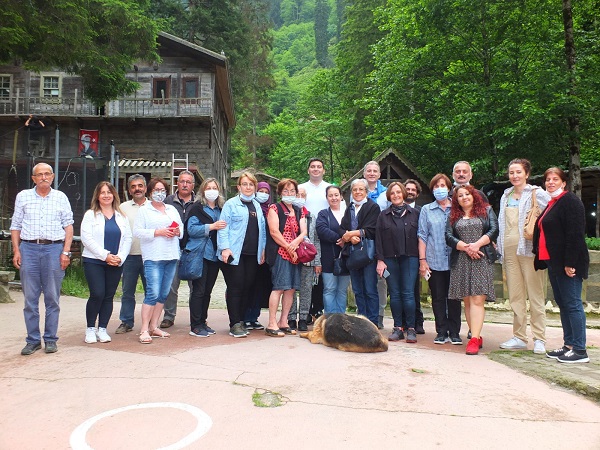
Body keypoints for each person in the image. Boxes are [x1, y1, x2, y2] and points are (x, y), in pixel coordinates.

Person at [11, 163, 74, 355]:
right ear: (33, 178)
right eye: (39, 175)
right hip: (28, 248)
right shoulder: (23, 196)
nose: (44, 177)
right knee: (30, 299)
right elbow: (16, 225)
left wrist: (66, 252)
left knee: (52, 298)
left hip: (54, 249)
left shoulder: (60, 197)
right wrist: (16, 250)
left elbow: (69, 226)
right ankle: (32, 340)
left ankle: (50, 339)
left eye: (47, 174)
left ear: (53, 176)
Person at [533, 167, 590, 364]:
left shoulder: (570, 202)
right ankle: (569, 346)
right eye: (547, 179)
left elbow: (575, 235)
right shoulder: (552, 203)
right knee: (564, 304)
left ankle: (580, 351)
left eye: (555, 179)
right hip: (554, 262)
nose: (550, 182)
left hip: (568, 263)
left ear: (563, 182)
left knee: (573, 304)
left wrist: (570, 263)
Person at [497, 159, 550, 354]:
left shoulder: (537, 193)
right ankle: (519, 336)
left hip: (529, 249)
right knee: (515, 295)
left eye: (518, 172)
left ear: (526, 174)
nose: (514, 176)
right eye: (511, 172)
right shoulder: (505, 195)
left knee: (536, 294)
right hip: (509, 250)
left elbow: (550, 216)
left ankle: (539, 338)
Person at [445, 185, 498, 355]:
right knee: (467, 300)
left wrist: (476, 245)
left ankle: (474, 339)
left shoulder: (486, 210)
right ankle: (475, 333)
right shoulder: (454, 216)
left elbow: (494, 230)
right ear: (456, 200)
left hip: (481, 258)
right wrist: (465, 248)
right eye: (460, 195)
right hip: (461, 259)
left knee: (477, 299)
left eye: (467, 194)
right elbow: (448, 236)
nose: (464, 197)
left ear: (474, 195)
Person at [80, 182, 132, 344]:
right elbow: (86, 238)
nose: (106, 195)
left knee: (109, 296)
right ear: (97, 196)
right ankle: (90, 329)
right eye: (102, 192)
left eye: (109, 192)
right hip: (94, 261)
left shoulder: (121, 216)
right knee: (97, 294)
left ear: (114, 195)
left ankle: (102, 328)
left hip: (115, 262)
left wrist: (120, 257)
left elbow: (128, 238)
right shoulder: (90, 215)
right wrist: (105, 256)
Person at [134, 178, 183, 344]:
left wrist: (176, 231)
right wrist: (158, 232)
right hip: (153, 256)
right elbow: (138, 232)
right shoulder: (144, 210)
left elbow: (181, 228)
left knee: (163, 293)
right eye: (156, 190)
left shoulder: (171, 209)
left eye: (163, 190)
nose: (159, 193)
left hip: (171, 255)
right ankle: (143, 329)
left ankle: (154, 326)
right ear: (150, 191)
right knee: (152, 293)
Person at [218, 172, 267, 338]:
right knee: (236, 287)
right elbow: (223, 227)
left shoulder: (257, 205)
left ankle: (242, 319)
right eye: (244, 184)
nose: (248, 187)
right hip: (235, 253)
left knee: (247, 287)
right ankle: (234, 323)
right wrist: (225, 248)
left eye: (251, 184)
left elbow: (262, 231)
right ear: (238, 187)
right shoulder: (231, 205)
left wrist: (262, 250)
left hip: (252, 255)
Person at [418, 174, 461, 344]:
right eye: (436, 186)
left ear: (449, 188)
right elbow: (422, 235)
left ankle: (455, 332)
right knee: (438, 297)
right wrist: (422, 260)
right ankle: (441, 331)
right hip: (434, 260)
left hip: (455, 261)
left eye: (443, 185)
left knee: (454, 298)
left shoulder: (457, 208)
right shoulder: (426, 210)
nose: (439, 189)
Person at [375, 182, 420, 343]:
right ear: (389, 196)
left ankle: (411, 328)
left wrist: (422, 259)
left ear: (403, 194)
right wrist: (380, 260)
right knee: (394, 294)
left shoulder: (415, 213)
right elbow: (378, 239)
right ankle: (397, 327)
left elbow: (421, 238)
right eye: (392, 193)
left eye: (398, 192)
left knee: (408, 294)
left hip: (410, 258)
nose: (395, 195)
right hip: (389, 259)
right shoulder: (383, 215)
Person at [299, 158, 342, 321]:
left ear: (323, 170)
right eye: (313, 167)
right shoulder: (301, 188)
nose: (316, 169)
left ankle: (317, 309)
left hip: (323, 236)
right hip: (304, 233)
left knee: (320, 273)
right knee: (305, 277)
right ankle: (304, 310)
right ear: (308, 170)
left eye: (319, 167)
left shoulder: (329, 188)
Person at [264, 179, 307, 337]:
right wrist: (288, 247)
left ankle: (283, 321)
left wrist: (294, 244)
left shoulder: (298, 209)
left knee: (291, 289)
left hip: (295, 254)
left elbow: (303, 231)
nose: (289, 194)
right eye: (286, 191)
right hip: (280, 253)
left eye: (292, 191)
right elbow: (274, 232)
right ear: (280, 193)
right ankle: (271, 323)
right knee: (279, 288)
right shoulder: (274, 208)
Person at [186, 178, 226, 337]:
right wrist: (211, 227)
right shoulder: (197, 209)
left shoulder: (221, 209)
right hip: (200, 254)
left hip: (214, 256)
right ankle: (195, 325)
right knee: (198, 291)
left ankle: (203, 321)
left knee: (208, 291)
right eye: (208, 187)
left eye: (214, 187)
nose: (211, 190)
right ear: (203, 191)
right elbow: (191, 229)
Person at [340, 178, 381, 326]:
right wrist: (350, 237)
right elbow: (342, 227)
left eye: (361, 189)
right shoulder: (350, 207)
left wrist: (353, 234)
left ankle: (373, 322)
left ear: (366, 192)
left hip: (367, 254)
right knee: (357, 290)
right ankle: (362, 320)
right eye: (355, 190)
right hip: (352, 254)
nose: (358, 192)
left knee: (370, 289)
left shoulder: (373, 207)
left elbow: (372, 229)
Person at [160, 170, 196, 329]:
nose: (185, 184)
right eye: (182, 181)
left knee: (195, 288)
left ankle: (196, 317)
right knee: (171, 286)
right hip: (171, 249)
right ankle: (168, 316)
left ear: (193, 185)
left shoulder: (199, 202)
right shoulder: (168, 201)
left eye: (188, 182)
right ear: (177, 183)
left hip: (193, 251)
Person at [115, 174, 148, 334]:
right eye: (134, 186)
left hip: (149, 256)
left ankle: (149, 323)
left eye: (140, 185)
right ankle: (126, 321)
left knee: (151, 292)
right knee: (128, 291)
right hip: (129, 256)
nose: (137, 189)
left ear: (145, 188)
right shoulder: (122, 208)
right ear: (129, 189)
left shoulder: (153, 206)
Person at [287, 186, 321, 332]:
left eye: (302, 195)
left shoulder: (311, 216)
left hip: (308, 258)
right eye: (297, 194)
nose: (300, 197)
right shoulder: (287, 214)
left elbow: (316, 240)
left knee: (307, 289)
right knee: (291, 289)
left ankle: (303, 318)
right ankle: (290, 317)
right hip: (291, 257)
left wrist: (317, 261)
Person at [317, 185, 351, 315]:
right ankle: (330, 318)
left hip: (346, 257)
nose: (334, 198)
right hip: (328, 257)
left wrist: (347, 239)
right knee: (330, 288)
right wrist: (341, 238)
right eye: (330, 195)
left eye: (336, 195)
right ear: (327, 198)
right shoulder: (323, 214)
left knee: (342, 290)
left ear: (341, 196)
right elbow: (321, 230)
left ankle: (341, 318)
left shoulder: (348, 213)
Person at [363, 161, 388, 328]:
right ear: (364, 174)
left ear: (379, 174)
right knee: (363, 280)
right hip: (363, 241)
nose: (372, 173)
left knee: (381, 280)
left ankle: (379, 314)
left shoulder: (385, 193)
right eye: (369, 171)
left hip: (382, 241)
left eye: (375, 171)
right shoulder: (357, 190)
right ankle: (363, 314)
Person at [244, 181, 271, 331]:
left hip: (266, 255)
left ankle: (254, 317)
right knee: (248, 284)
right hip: (250, 252)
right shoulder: (250, 206)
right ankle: (244, 316)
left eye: (266, 192)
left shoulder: (271, 209)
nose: (263, 194)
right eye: (260, 190)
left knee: (260, 287)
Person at [403, 179, 425, 334]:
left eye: (413, 190)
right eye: (407, 189)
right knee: (399, 291)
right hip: (397, 256)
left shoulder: (421, 212)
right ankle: (403, 321)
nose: (410, 191)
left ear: (417, 193)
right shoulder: (394, 210)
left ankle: (418, 321)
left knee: (413, 291)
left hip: (415, 256)